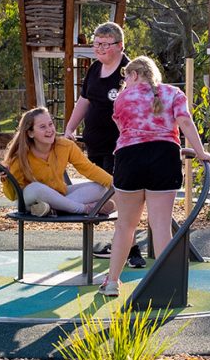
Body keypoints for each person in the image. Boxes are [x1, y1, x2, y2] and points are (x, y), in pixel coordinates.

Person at [98, 56, 210, 297]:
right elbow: (184, 122)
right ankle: (167, 285)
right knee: (160, 225)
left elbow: (124, 131)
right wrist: (201, 152)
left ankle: (112, 282)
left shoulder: (122, 99)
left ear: (135, 75)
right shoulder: (172, 93)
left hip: (129, 158)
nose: (124, 82)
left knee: (125, 226)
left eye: (125, 77)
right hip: (164, 157)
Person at [63, 22, 147, 268]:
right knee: (103, 194)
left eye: (105, 44)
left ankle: (132, 250)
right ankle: (118, 243)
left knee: (121, 194)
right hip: (95, 144)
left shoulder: (129, 72)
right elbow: (85, 101)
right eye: (96, 44)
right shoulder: (94, 70)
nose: (99, 48)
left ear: (120, 46)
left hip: (121, 146)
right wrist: (70, 127)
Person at [1, 107, 114, 217]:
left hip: (60, 194)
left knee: (100, 188)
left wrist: (114, 183)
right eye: (42, 127)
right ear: (30, 133)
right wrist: (6, 180)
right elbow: (13, 196)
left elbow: (88, 168)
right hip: (32, 199)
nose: (49, 130)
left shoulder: (65, 146)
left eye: (50, 124)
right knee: (35, 188)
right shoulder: (20, 156)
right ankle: (84, 208)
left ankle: (51, 209)